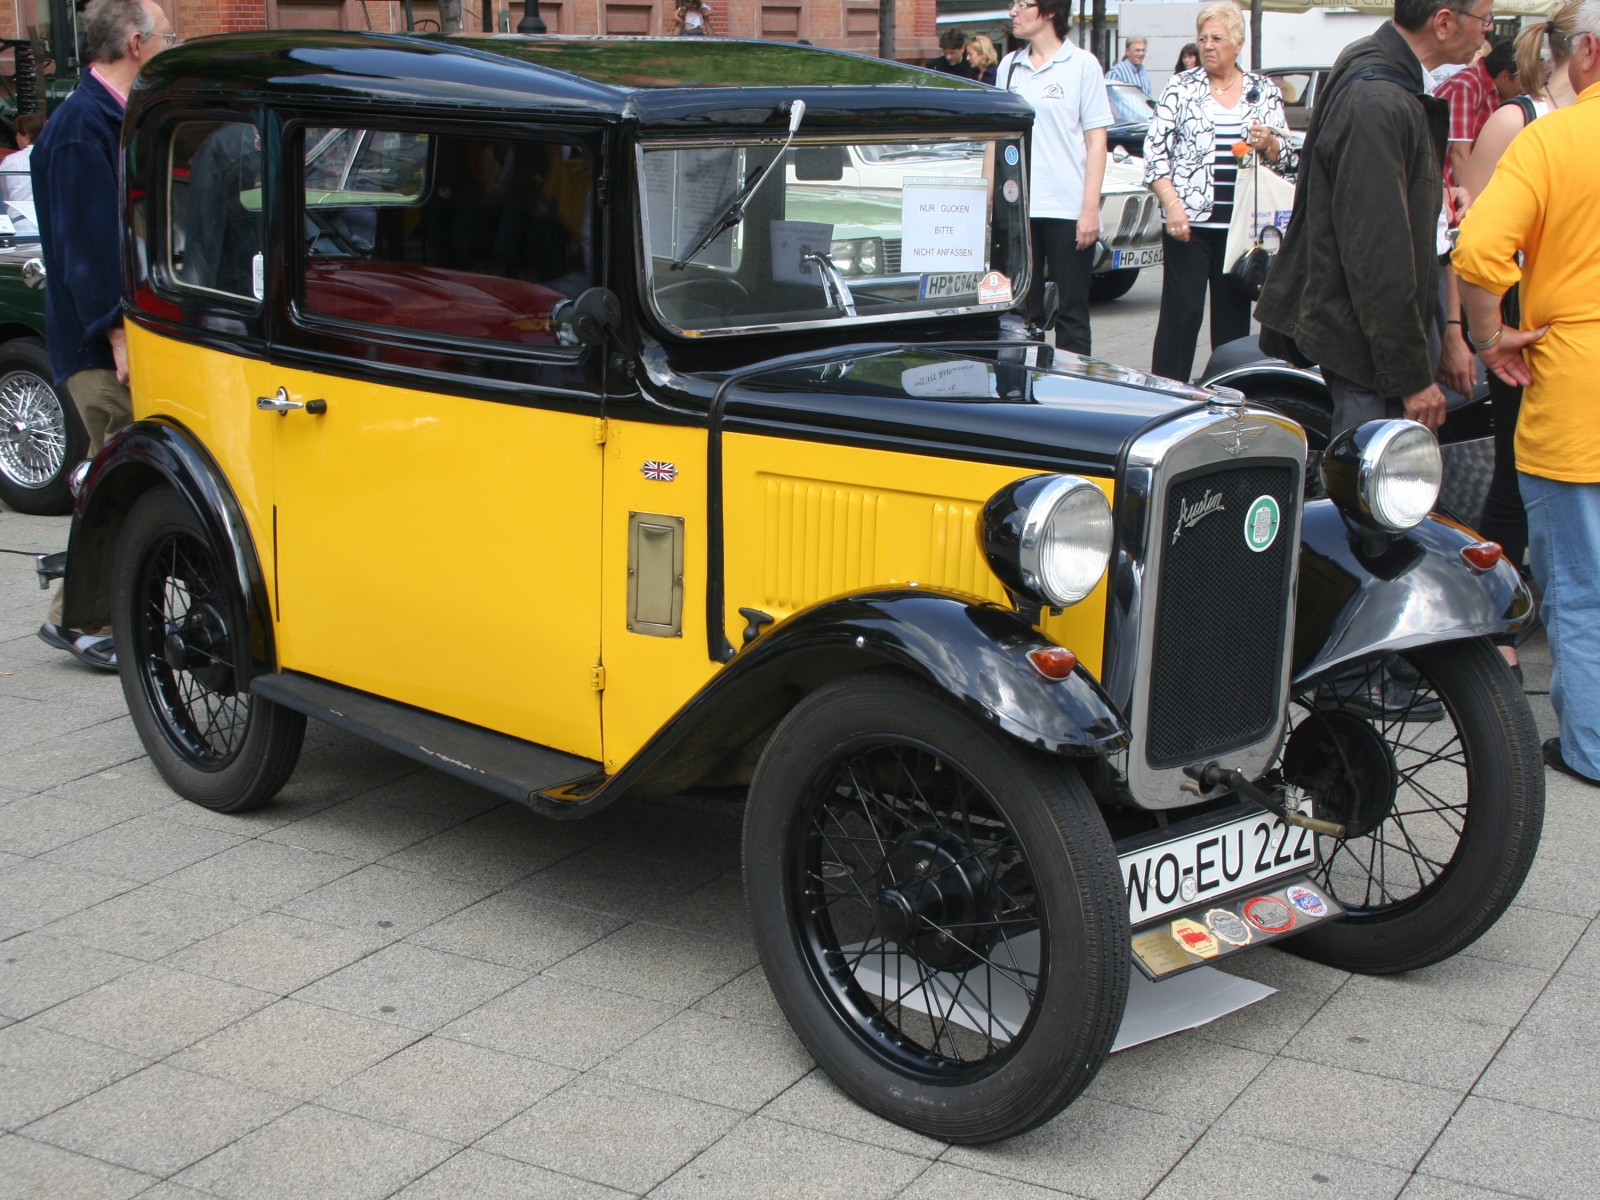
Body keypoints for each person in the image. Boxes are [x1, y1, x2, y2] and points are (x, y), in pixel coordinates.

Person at [1455, 0, 1600, 785]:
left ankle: (1591, 748)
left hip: (1574, 387)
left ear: (1587, 55)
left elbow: (1479, 248)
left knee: (1581, 587)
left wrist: (1488, 336)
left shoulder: (1555, 139)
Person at [1255, 0, 1493, 440]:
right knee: (1377, 471)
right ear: (1444, 22)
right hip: (1368, 352)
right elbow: (1378, 255)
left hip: (1374, 342)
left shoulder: (1381, 73)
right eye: (1486, 18)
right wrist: (1410, 376)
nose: (1488, 32)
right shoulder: (1378, 101)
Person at [33, 0, 176, 670]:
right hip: (98, 343)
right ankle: (82, 620)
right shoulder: (80, 127)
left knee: (116, 466)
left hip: (117, 332)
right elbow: (84, 248)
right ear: (137, 43)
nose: (173, 41)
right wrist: (115, 334)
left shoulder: (112, 117)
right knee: (117, 468)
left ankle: (87, 611)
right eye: (167, 33)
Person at [1145, 2, 1293, 383]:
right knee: (1181, 316)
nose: (1208, 45)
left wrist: (1269, 144)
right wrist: (1171, 204)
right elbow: (1154, 154)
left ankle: (1230, 396)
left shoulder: (1262, 90)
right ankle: (1164, 393)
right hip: (1188, 225)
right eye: (1203, 38)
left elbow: (1288, 157)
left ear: (1238, 43)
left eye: (1217, 38)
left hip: (1241, 229)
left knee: (1232, 327)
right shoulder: (1181, 86)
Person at [997, 0, 1112, 355]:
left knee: (1071, 312)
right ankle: (1021, 384)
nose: (1013, 12)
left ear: (1048, 11)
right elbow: (996, 137)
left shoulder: (1082, 65)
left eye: (1022, 4)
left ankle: (1074, 387)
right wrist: (990, 200)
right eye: (1012, 4)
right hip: (1018, 210)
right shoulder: (1009, 66)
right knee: (1020, 315)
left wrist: (1089, 209)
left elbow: (1097, 142)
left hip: (1067, 208)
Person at [1437, 38, 1520, 187]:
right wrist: (1466, 198)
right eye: (1525, 81)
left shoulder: (1498, 93)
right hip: (1444, 185)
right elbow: (1459, 153)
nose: (1526, 88)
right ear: (1505, 77)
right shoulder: (1467, 84)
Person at [0, 111, 44, 236]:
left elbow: (4, 195)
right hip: (47, 222)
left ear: (26, 137)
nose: (16, 138)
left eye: (17, 134)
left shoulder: (9, 161)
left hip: (18, 223)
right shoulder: (53, 159)